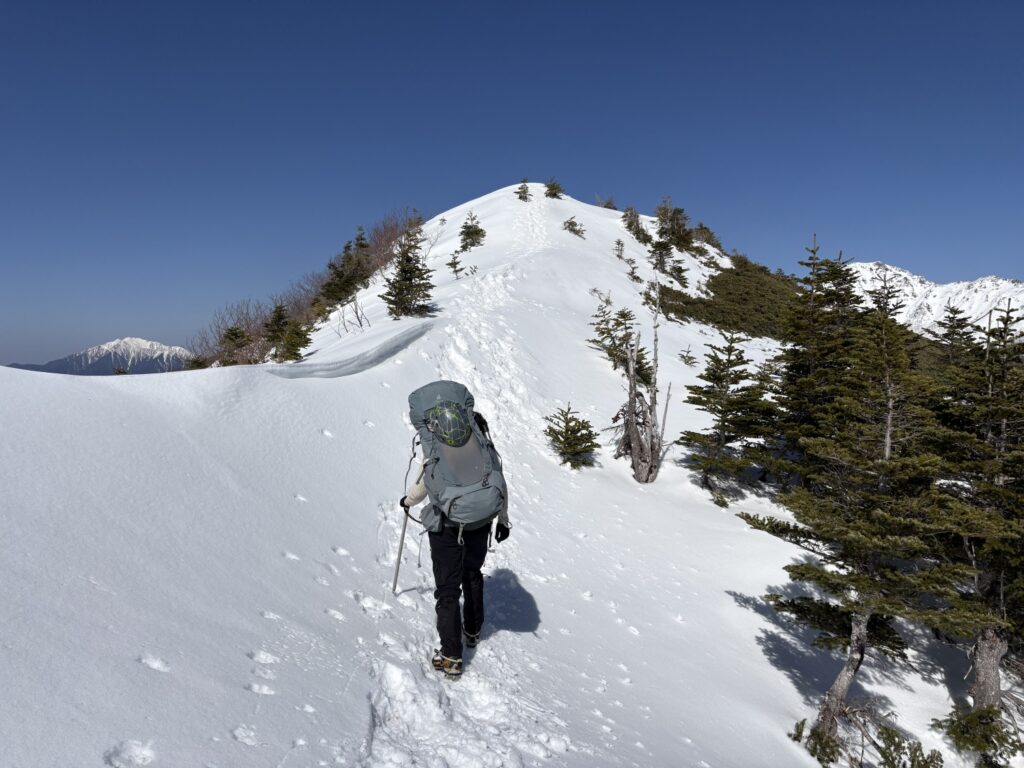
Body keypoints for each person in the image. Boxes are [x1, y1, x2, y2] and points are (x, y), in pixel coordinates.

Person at [401, 406, 511, 680]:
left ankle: (450, 657)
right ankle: (472, 631)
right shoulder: (485, 450)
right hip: (480, 524)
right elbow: (500, 483)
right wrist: (503, 520)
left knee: (448, 590)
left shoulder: (440, 449)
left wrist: (407, 502)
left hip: (447, 529)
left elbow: (424, 485)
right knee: (472, 573)